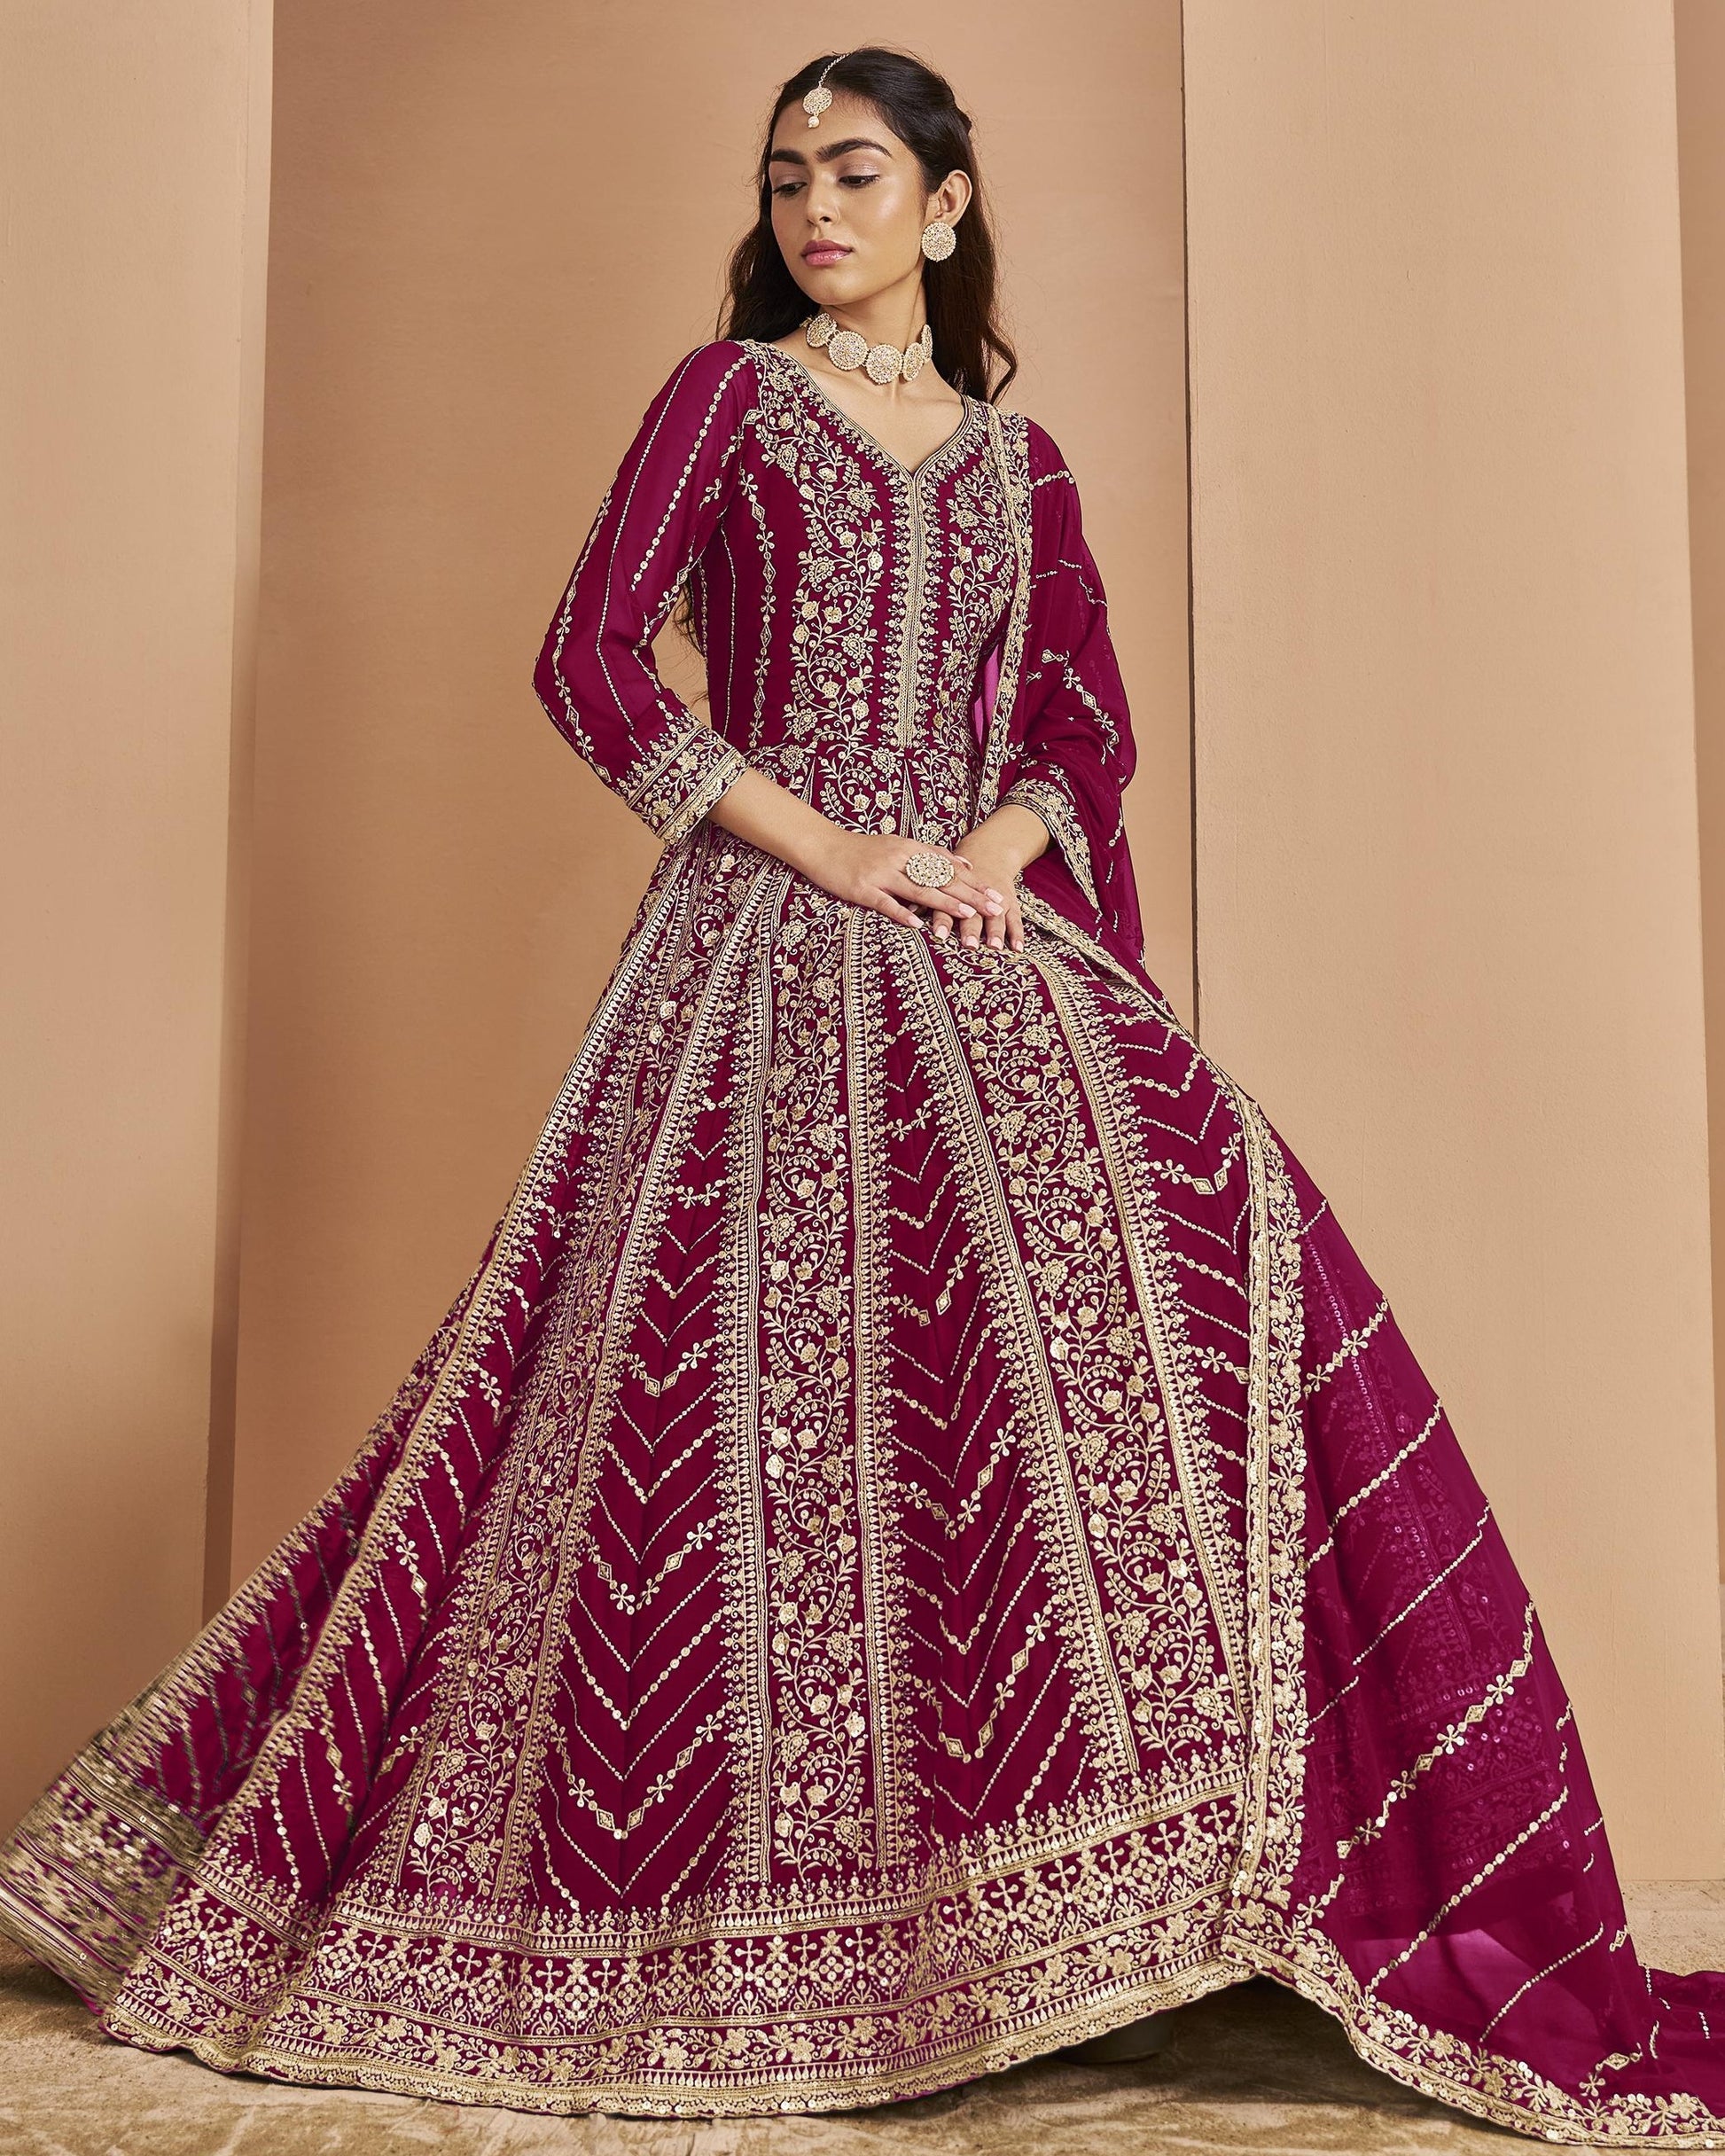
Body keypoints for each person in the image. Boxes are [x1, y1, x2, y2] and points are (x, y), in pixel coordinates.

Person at [4, 42, 1725, 2144]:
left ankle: (1093, 1889)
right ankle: (714, 1914)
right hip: (755, 948)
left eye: (857, 173)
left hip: (976, 940)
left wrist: (999, 852)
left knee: (1164, 1262)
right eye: (787, 176)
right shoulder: (727, 398)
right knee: (695, 1424)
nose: (817, 209)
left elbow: (1074, 722)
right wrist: (833, 849)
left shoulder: (1025, 466)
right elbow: (589, 659)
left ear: (946, 198)